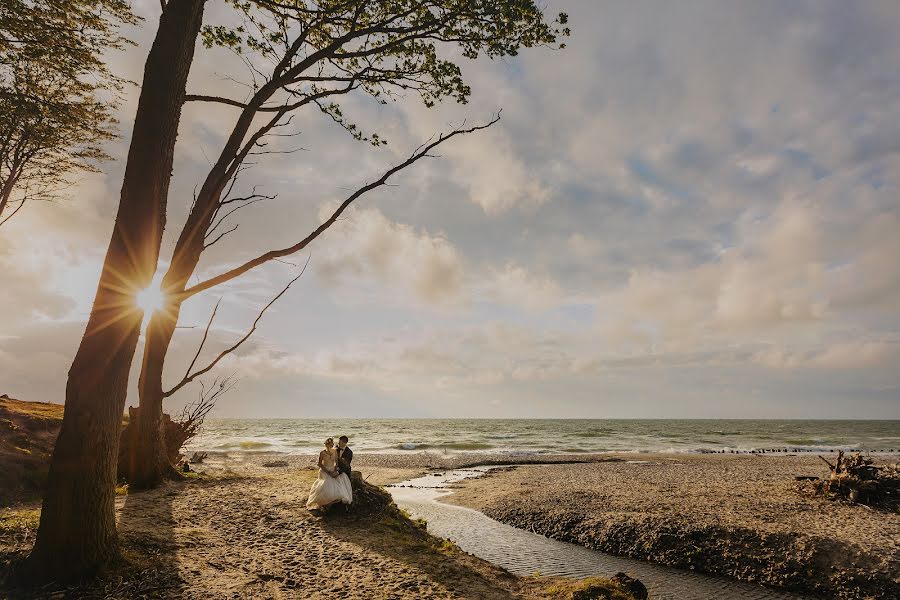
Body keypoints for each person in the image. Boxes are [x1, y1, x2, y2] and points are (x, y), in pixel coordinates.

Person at [306, 437, 352, 511]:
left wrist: (334, 470)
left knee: (338, 483)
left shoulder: (339, 452)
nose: (330, 446)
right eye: (328, 445)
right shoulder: (322, 453)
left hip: (334, 470)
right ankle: (323, 503)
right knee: (325, 484)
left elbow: (337, 463)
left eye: (331, 445)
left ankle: (333, 503)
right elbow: (320, 464)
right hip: (324, 470)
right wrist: (328, 471)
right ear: (325, 445)